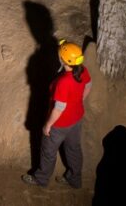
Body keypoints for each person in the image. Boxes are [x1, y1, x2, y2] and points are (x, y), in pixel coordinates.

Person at [22, 39, 92, 188]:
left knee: (48, 152)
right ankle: (75, 179)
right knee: (74, 149)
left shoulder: (63, 83)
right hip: (76, 118)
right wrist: (78, 101)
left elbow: (59, 108)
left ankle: (41, 179)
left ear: (63, 59)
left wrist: (48, 125)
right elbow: (88, 85)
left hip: (60, 124)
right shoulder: (82, 70)